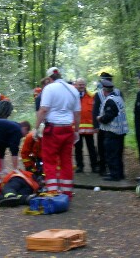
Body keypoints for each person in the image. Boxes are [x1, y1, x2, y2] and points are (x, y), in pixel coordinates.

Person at [35, 67, 81, 199]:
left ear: (49, 78)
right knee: (66, 160)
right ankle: (67, 192)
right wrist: (76, 131)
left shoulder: (49, 88)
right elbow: (77, 113)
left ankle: (53, 191)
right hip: (68, 128)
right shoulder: (73, 90)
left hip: (53, 129)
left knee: (50, 160)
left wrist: (36, 128)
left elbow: (43, 110)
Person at [96, 80, 129, 181]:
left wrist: (100, 118)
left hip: (112, 131)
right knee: (118, 153)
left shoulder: (110, 100)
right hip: (120, 131)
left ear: (105, 91)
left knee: (111, 154)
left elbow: (109, 116)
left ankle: (114, 175)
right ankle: (120, 173)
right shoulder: (118, 98)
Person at [92, 72, 123, 176]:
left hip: (107, 125)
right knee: (106, 148)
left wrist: (97, 122)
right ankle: (105, 168)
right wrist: (96, 125)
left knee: (108, 148)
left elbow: (96, 111)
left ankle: (110, 170)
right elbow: (95, 110)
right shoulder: (101, 94)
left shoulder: (111, 93)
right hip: (111, 126)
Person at [73, 78, 98, 173]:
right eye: (79, 84)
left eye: (82, 84)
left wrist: (96, 126)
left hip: (89, 129)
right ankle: (80, 166)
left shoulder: (91, 96)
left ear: (85, 85)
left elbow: (95, 112)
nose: (81, 86)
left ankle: (94, 166)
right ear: (76, 85)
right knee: (78, 148)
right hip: (77, 128)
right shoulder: (73, 96)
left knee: (91, 148)